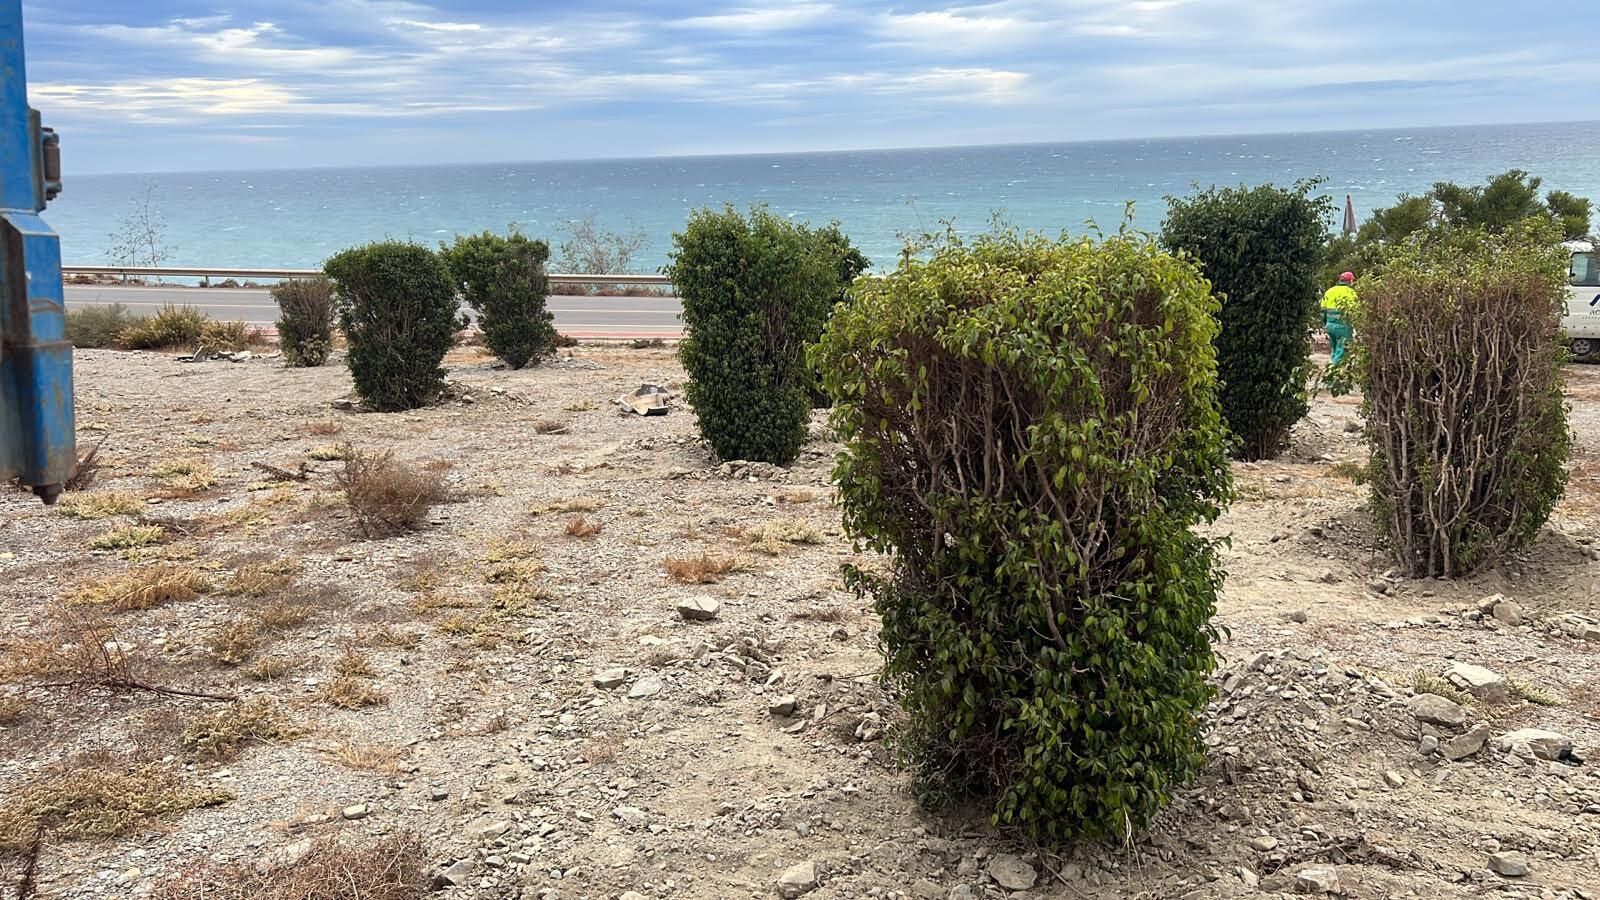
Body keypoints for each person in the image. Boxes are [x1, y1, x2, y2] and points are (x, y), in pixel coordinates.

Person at [1321, 272, 1358, 366]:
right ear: (1350, 281)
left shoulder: (1329, 291)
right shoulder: (1350, 292)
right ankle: (1332, 372)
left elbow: (1323, 310)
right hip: (1342, 326)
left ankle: (1331, 371)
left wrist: (1325, 323)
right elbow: (1355, 310)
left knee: (1334, 350)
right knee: (1342, 352)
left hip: (1330, 325)